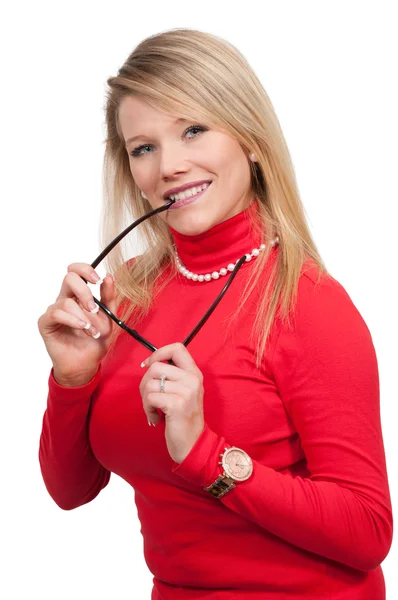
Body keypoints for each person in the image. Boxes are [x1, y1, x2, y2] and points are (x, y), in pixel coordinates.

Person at [37, 28, 393, 600]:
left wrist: (207, 454)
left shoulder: (307, 302)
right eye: (143, 147)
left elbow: (369, 530)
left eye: (194, 130)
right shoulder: (128, 299)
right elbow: (69, 490)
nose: (169, 165)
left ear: (251, 139)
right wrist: (74, 379)